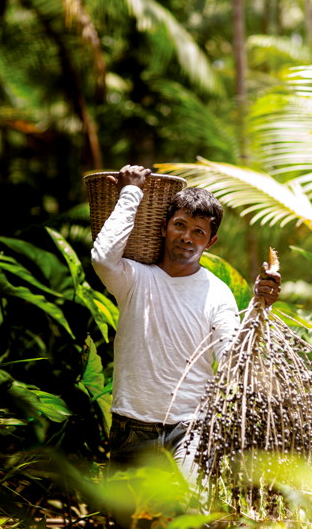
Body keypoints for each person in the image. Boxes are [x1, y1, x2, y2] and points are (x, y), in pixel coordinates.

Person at [91, 164, 281, 475]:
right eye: (180, 225)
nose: (186, 237)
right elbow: (102, 258)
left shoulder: (217, 293)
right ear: (164, 228)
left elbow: (233, 358)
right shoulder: (134, 278)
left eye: (198, 232)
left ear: (210, 242)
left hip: (191, 429)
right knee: (126, 508)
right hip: (132, 425)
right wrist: (131, 193)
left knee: (190, 507)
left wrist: (260, 307)